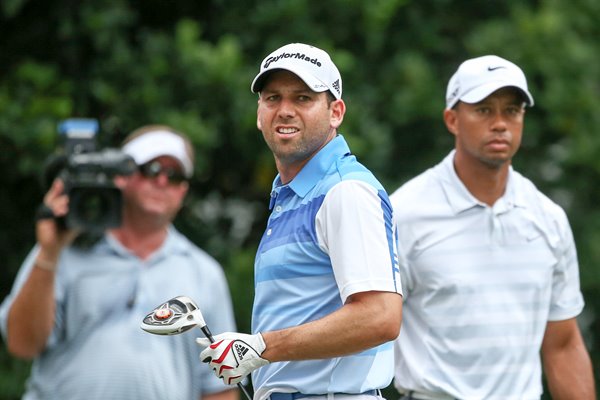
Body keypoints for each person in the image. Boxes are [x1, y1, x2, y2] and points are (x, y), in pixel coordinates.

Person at [195, 43, 403, 400]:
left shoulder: (346, 191)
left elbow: (380, 316)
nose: (285, 111)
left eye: (303, 98)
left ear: (335, 112)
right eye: (273, 98)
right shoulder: (292, 195)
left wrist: (261, 347)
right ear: (259, 113)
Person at [390, 55, 596, 399]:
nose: (500, 123)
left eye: (511, 111)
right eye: (484, 110)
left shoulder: (549, 218)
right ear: (452, 119)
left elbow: (562, 344)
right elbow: (367, 330)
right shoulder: (404, 214)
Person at [0, 125, 239, 400]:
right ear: (120, 177)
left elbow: (219, 386)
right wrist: (49, 254)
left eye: (174, 175)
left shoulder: (204, 272)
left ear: (183, 190)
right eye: (150, 169)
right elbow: (21, 345)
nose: (162, 181)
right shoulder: (63, 246)